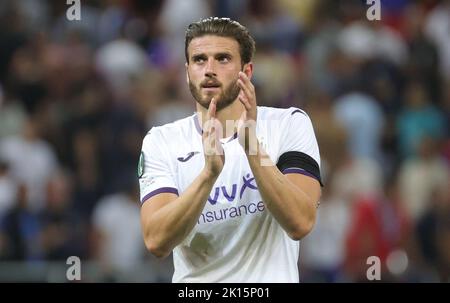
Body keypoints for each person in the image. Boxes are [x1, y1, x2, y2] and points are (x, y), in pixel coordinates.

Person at [138, 17, 322, 283]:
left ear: (246, 71)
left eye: (222, 59)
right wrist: (207, 175)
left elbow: (301, 222)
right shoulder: (161, 141)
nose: (209, 69)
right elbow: (156, 241)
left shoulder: (289, 124)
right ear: (187, 70)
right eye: (199, 60)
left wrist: (251, 147)